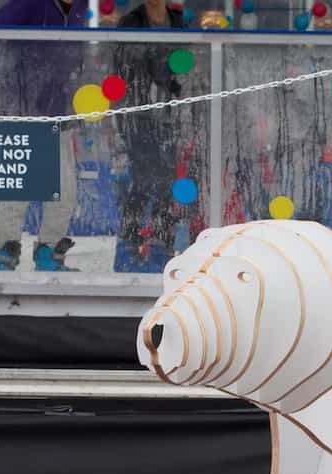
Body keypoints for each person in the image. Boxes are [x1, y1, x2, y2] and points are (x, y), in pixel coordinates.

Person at [0, 0, 87, 272]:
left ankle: (48, 250)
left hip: (59, 114)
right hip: (23, 115)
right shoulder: (29, 3)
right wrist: (11, 84)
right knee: (18, 189)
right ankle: (4, 253)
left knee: (65, 193)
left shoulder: (79, 8)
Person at [113, 0, 187, 272]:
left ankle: (160, 244)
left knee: (167, 182)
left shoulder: (178, 21)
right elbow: (127, 71)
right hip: (137, 115)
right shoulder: (130, 22)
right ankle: (128, 246)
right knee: (144, 180)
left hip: (168, 116)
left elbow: (184, 67)